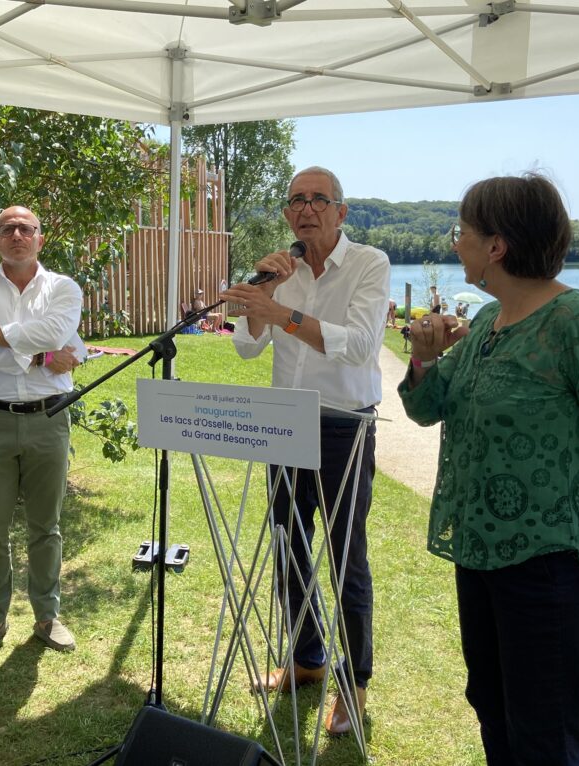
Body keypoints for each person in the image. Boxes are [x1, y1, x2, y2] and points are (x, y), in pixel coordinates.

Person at [398, 174, 579, 764]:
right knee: (494, 707)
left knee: (547, 732)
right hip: (481, 555)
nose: (454, 242)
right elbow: (426, 408)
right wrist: (423, 359)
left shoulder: (578, 324)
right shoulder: (489, 325)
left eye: (460, 232)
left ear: (496, 246)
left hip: (552, 568)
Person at [221, 166, 389, 736]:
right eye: (297, 200)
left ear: (341, 212)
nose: (306, 208)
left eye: (319, 199)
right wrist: (262, 294)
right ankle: (308, 659)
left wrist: (284, 316)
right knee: (290, 545)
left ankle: (354, 682)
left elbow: (361, 345)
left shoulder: (369, 264)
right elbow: (246, 348)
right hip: (283, 423)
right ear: (288, 214)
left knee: (346, 557)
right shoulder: (281, 270)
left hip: (345, 425)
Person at [0, 205, 86, 657]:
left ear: (40, 239)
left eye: (25, 228)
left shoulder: (63, 288)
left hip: (49, 419)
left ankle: (47, 616)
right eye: (7, 229)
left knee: (45, 527)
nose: (16, 235)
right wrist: (42, 356)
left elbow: (56, 328)